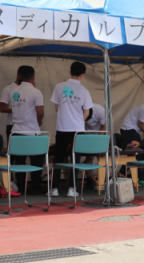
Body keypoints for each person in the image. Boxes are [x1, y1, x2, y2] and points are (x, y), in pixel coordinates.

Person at [49, 61, 93, 197]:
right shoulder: (84, 91)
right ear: (82, 75)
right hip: (77, 129)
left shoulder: (59, 86)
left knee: (59, 158)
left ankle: (54, 189)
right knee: (75, 159)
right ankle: (72, 189)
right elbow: (87, 112)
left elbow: (57, 107)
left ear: (70, 71)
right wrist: (79, 120)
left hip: (62, 127)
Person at [9, 66, 46, 195]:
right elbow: (40, 112)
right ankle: (36, 186)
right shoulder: (36, 92)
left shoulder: (13, 91)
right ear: (33, 77)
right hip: (31, 131)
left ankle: (21, 187)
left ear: (20, 76)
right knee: (36, 160)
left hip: (16, 131)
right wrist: (38, 121)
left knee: (19, 161)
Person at [0, 66, 29, 193]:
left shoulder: (29, 89)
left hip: (27, 126)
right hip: (13, 126)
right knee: (13, 157)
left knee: (22, 157)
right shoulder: (8, 89)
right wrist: (17, 110)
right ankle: (9, 185)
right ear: (19, 75)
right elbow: (2, 107)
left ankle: (22, 185)